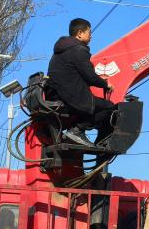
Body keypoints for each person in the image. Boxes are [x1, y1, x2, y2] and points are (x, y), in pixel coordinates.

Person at [46, 18, 116, 147]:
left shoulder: (61, 50)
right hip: (70, 95)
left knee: (95, 106)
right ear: (79, 33)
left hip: (56, 94)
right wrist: (105, 84)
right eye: (89, 32)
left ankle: (75, 131)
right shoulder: (78, 50)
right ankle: (77, 130)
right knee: (110, 107)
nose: (91, 36)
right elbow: (90, 77)